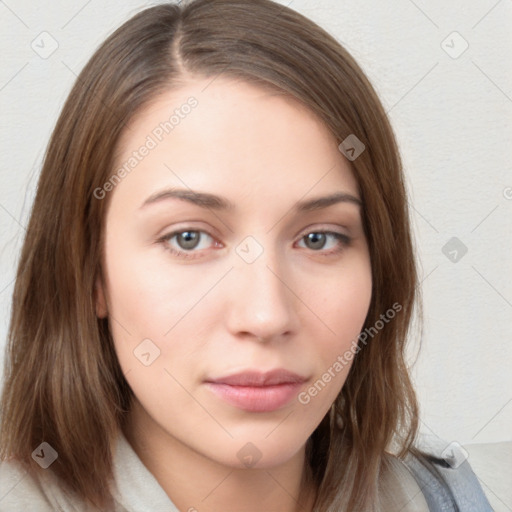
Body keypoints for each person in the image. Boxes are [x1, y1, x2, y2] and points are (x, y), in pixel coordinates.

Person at [0, 1, 493, 510]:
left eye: (319, 238)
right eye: (188, 238)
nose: (266, 316)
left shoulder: (443, 499)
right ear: (89, 273)